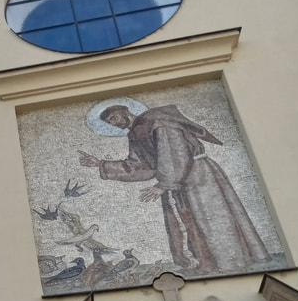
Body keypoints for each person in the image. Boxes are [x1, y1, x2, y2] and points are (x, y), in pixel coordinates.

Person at [79, 104, 270, 275]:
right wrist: (101, 164)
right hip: (178, 180)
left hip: (197, 175)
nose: (114, 124)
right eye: (110, 122)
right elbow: (140, 165)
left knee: (211, 217)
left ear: (125, 111)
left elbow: (173, 151)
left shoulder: (157, 122)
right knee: (188, 221)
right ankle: (205, 264)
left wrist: (164, 185)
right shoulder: (136, 132)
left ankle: (232, 264)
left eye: (114, 118)